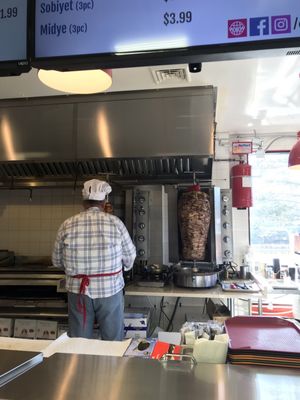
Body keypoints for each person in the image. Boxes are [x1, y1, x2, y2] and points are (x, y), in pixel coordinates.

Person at [52, 179, 136, 340]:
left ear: (84, 202)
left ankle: (80, 365)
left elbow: (56, 261)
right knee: (112, 341)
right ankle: (112, 365)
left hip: (78, 292)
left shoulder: (67, 224)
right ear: (104, 202)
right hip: (110, 290)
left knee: (79, 341)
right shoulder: (115, 223)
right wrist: (120, 268)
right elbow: (130, 257)